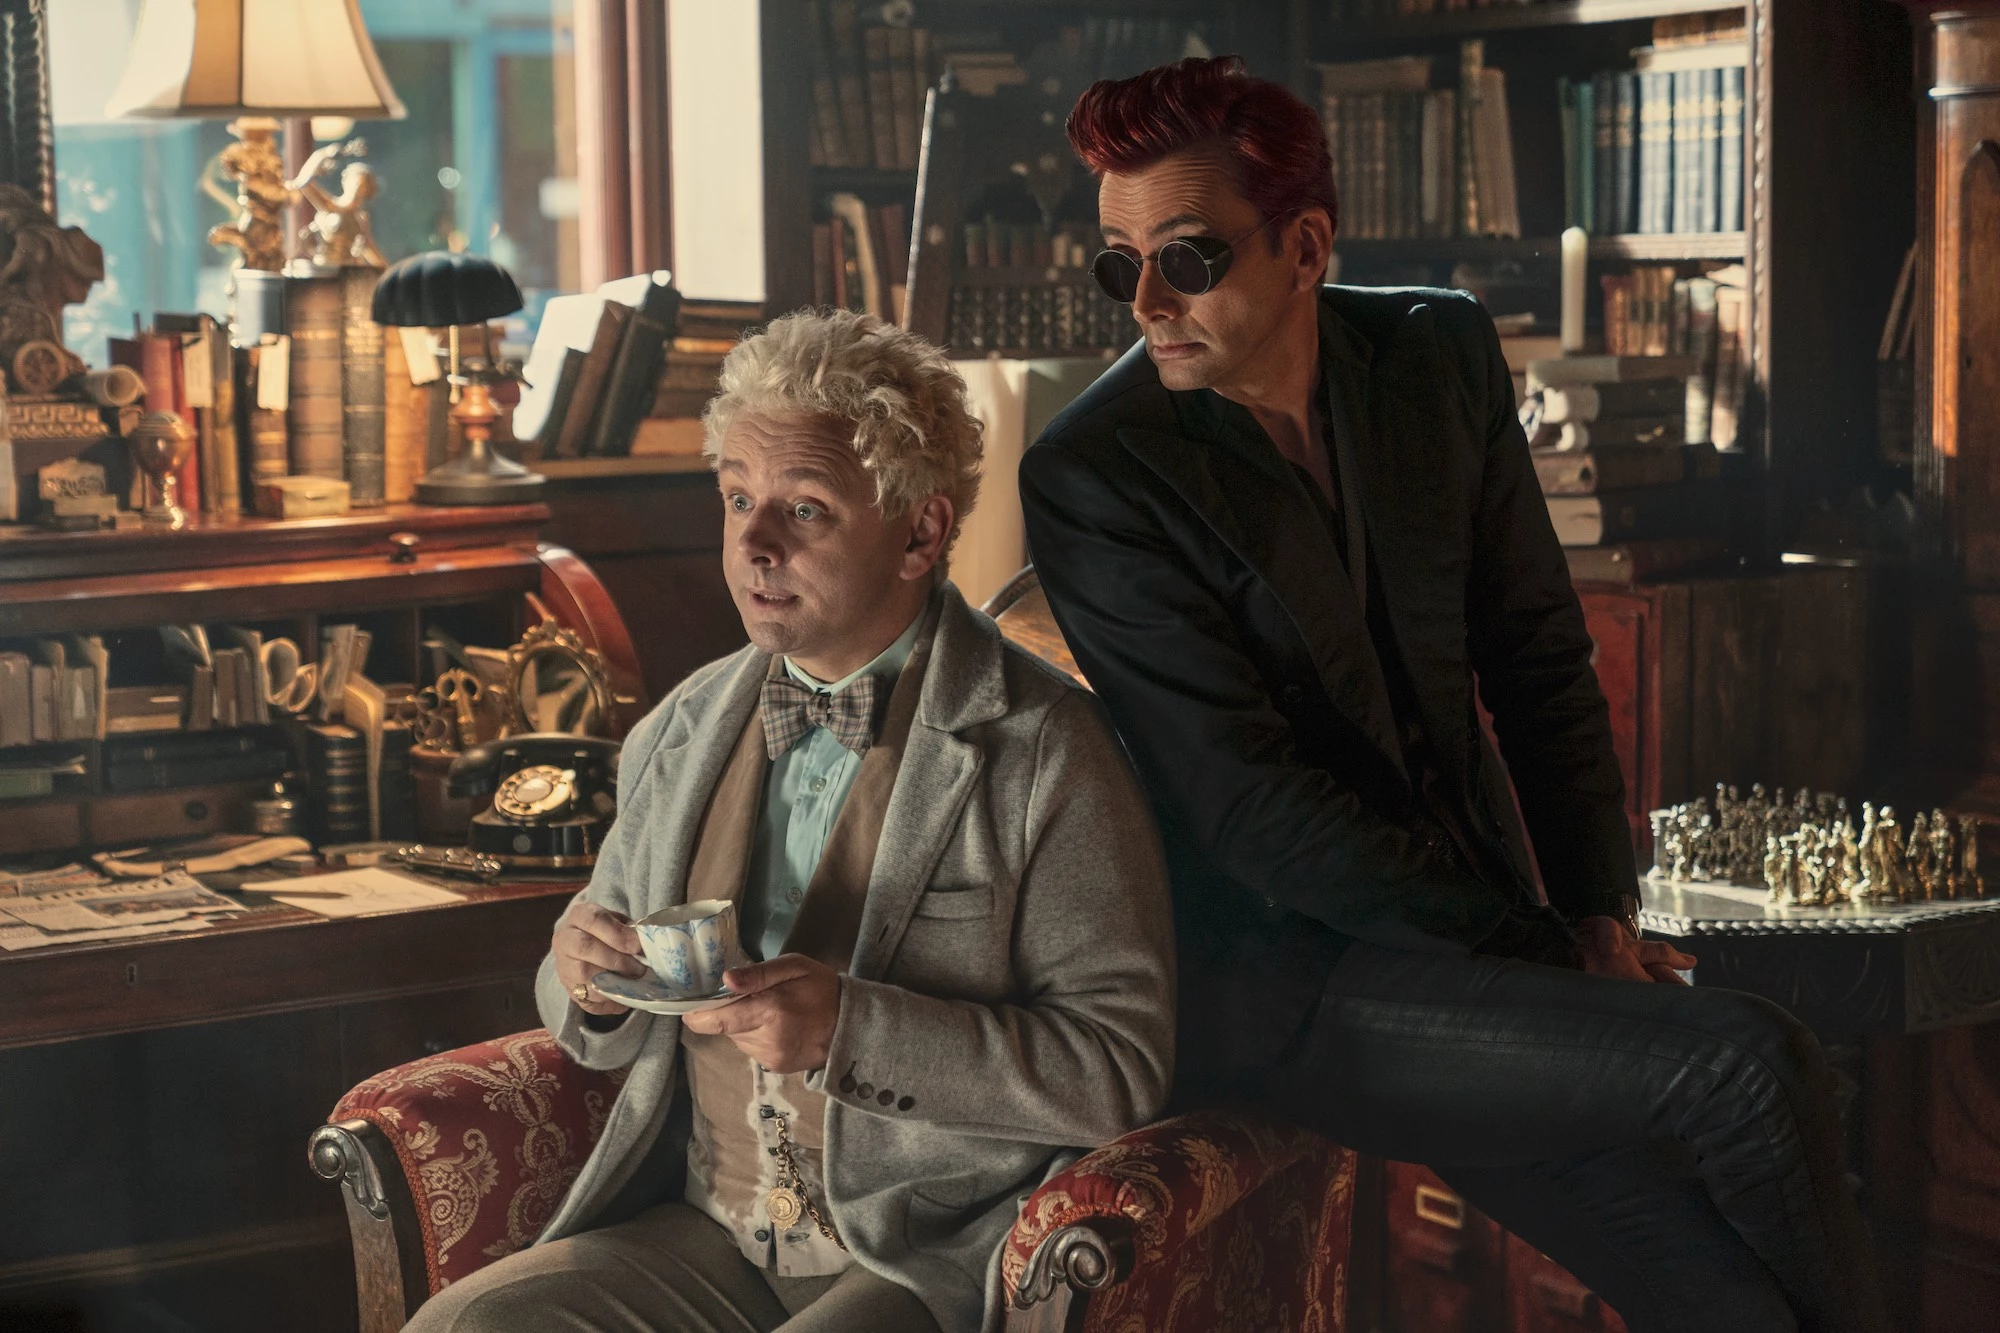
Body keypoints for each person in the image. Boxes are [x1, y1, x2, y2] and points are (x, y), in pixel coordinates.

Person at [1019, 56, 1887, 1333]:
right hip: (1296, 987)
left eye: (1186, 258)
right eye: (1117, 266)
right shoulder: (1097, 470)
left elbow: (1535, 657)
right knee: (1753, 1067)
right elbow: (1251, 812)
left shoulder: (1433, 351)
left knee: (1725, 1300)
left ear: (1304, 246)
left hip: (1486, 942)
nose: (1144, 303)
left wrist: (1596, 917)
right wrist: (1544, 958)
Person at [408, 309, 1175, 1333]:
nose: (753, 543)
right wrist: (583, 976)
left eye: (803, 509)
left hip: (918, 1250)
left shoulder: (1047, 749)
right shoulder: (679, 726)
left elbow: (1118, 1070)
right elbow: (580, 995)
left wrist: (850, 1029)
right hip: (705, 1229)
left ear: (920, 533)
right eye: (737, 499)